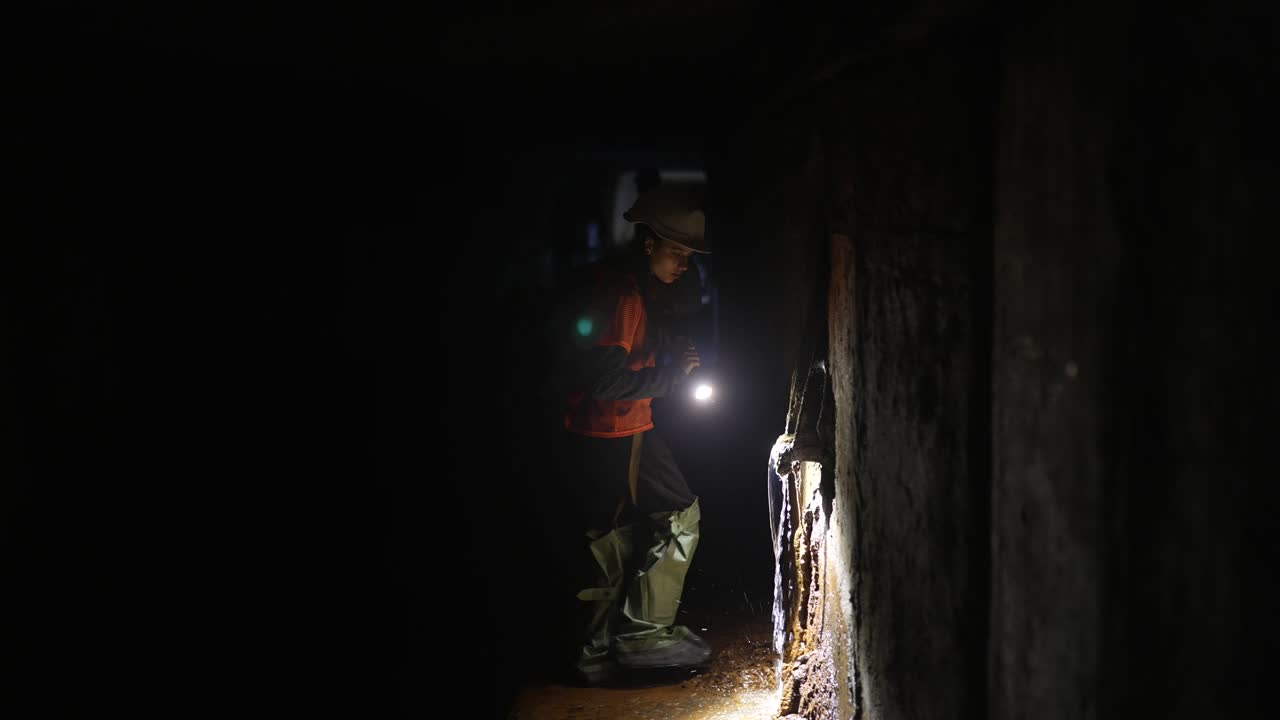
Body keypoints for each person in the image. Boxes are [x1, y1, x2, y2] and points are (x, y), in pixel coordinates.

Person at [557, 183, 712, 685]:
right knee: (612, 538)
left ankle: (621, 642)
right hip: (606, 432)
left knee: (627, 531)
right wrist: (669, 377)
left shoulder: (638, 289)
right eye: (676, 253)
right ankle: (623, 642)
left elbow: (631, 357)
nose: (682, 265)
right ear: (648, 244)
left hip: (630, 426)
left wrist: (667, 356)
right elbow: (603, 379)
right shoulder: (620, 294)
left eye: (689, 256)